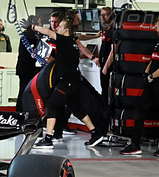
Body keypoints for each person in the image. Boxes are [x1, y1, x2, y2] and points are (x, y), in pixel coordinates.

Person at [28, 16, 108, 148]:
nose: (57, 28)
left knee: (51, 105)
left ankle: (48, 139)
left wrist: (32, 27)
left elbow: (48, 32)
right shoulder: (72, 40)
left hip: (67, 82)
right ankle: (95, 133)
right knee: (76, 108)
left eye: (59, 26)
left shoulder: (64, 40)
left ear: (66, 30)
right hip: (73, 80)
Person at [121, 14, 159, 157]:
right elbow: (153, 61)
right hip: (151, 85)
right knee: (139, 111)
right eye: (155, 27)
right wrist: (146, 74)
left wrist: (152, 76)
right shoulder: (158, 44)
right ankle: (135, 144)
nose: (157, 30)